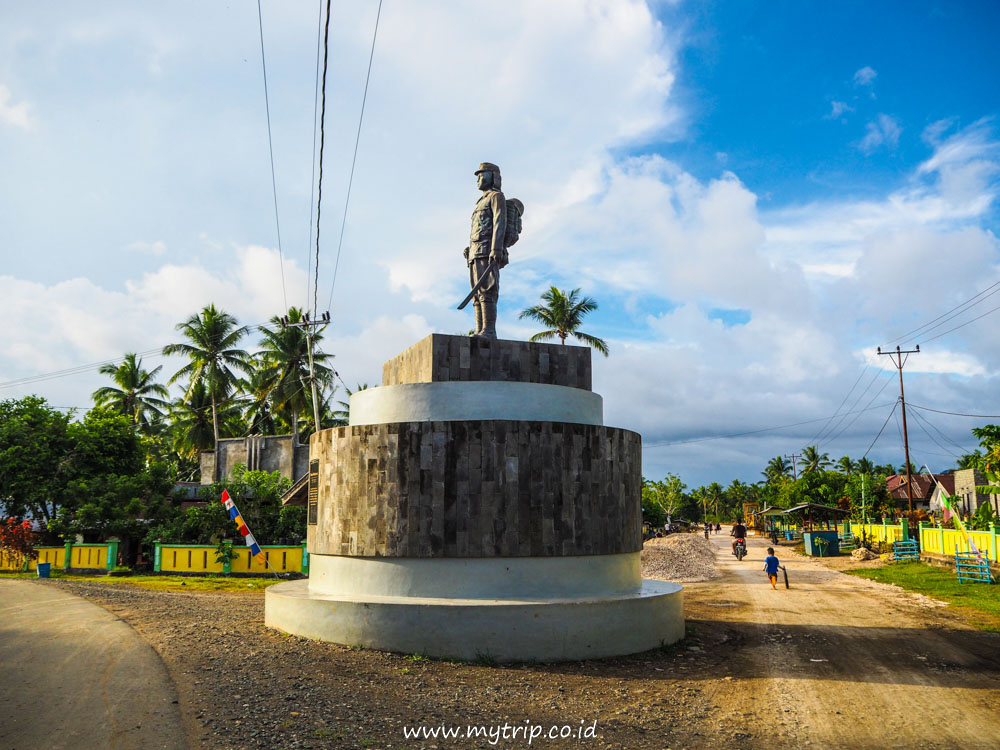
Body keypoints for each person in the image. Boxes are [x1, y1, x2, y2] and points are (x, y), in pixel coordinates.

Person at [464, 162, 506, 338]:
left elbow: (499, 221)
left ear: (493, 176)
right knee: (476, 292)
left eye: (482, 175)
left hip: (487, 250)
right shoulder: (479, 202)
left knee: (487, 289)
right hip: (475, 251)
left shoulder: (496, 197)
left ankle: (489, 330)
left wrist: (496, 247)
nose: (479, 179)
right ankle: (479, 329)